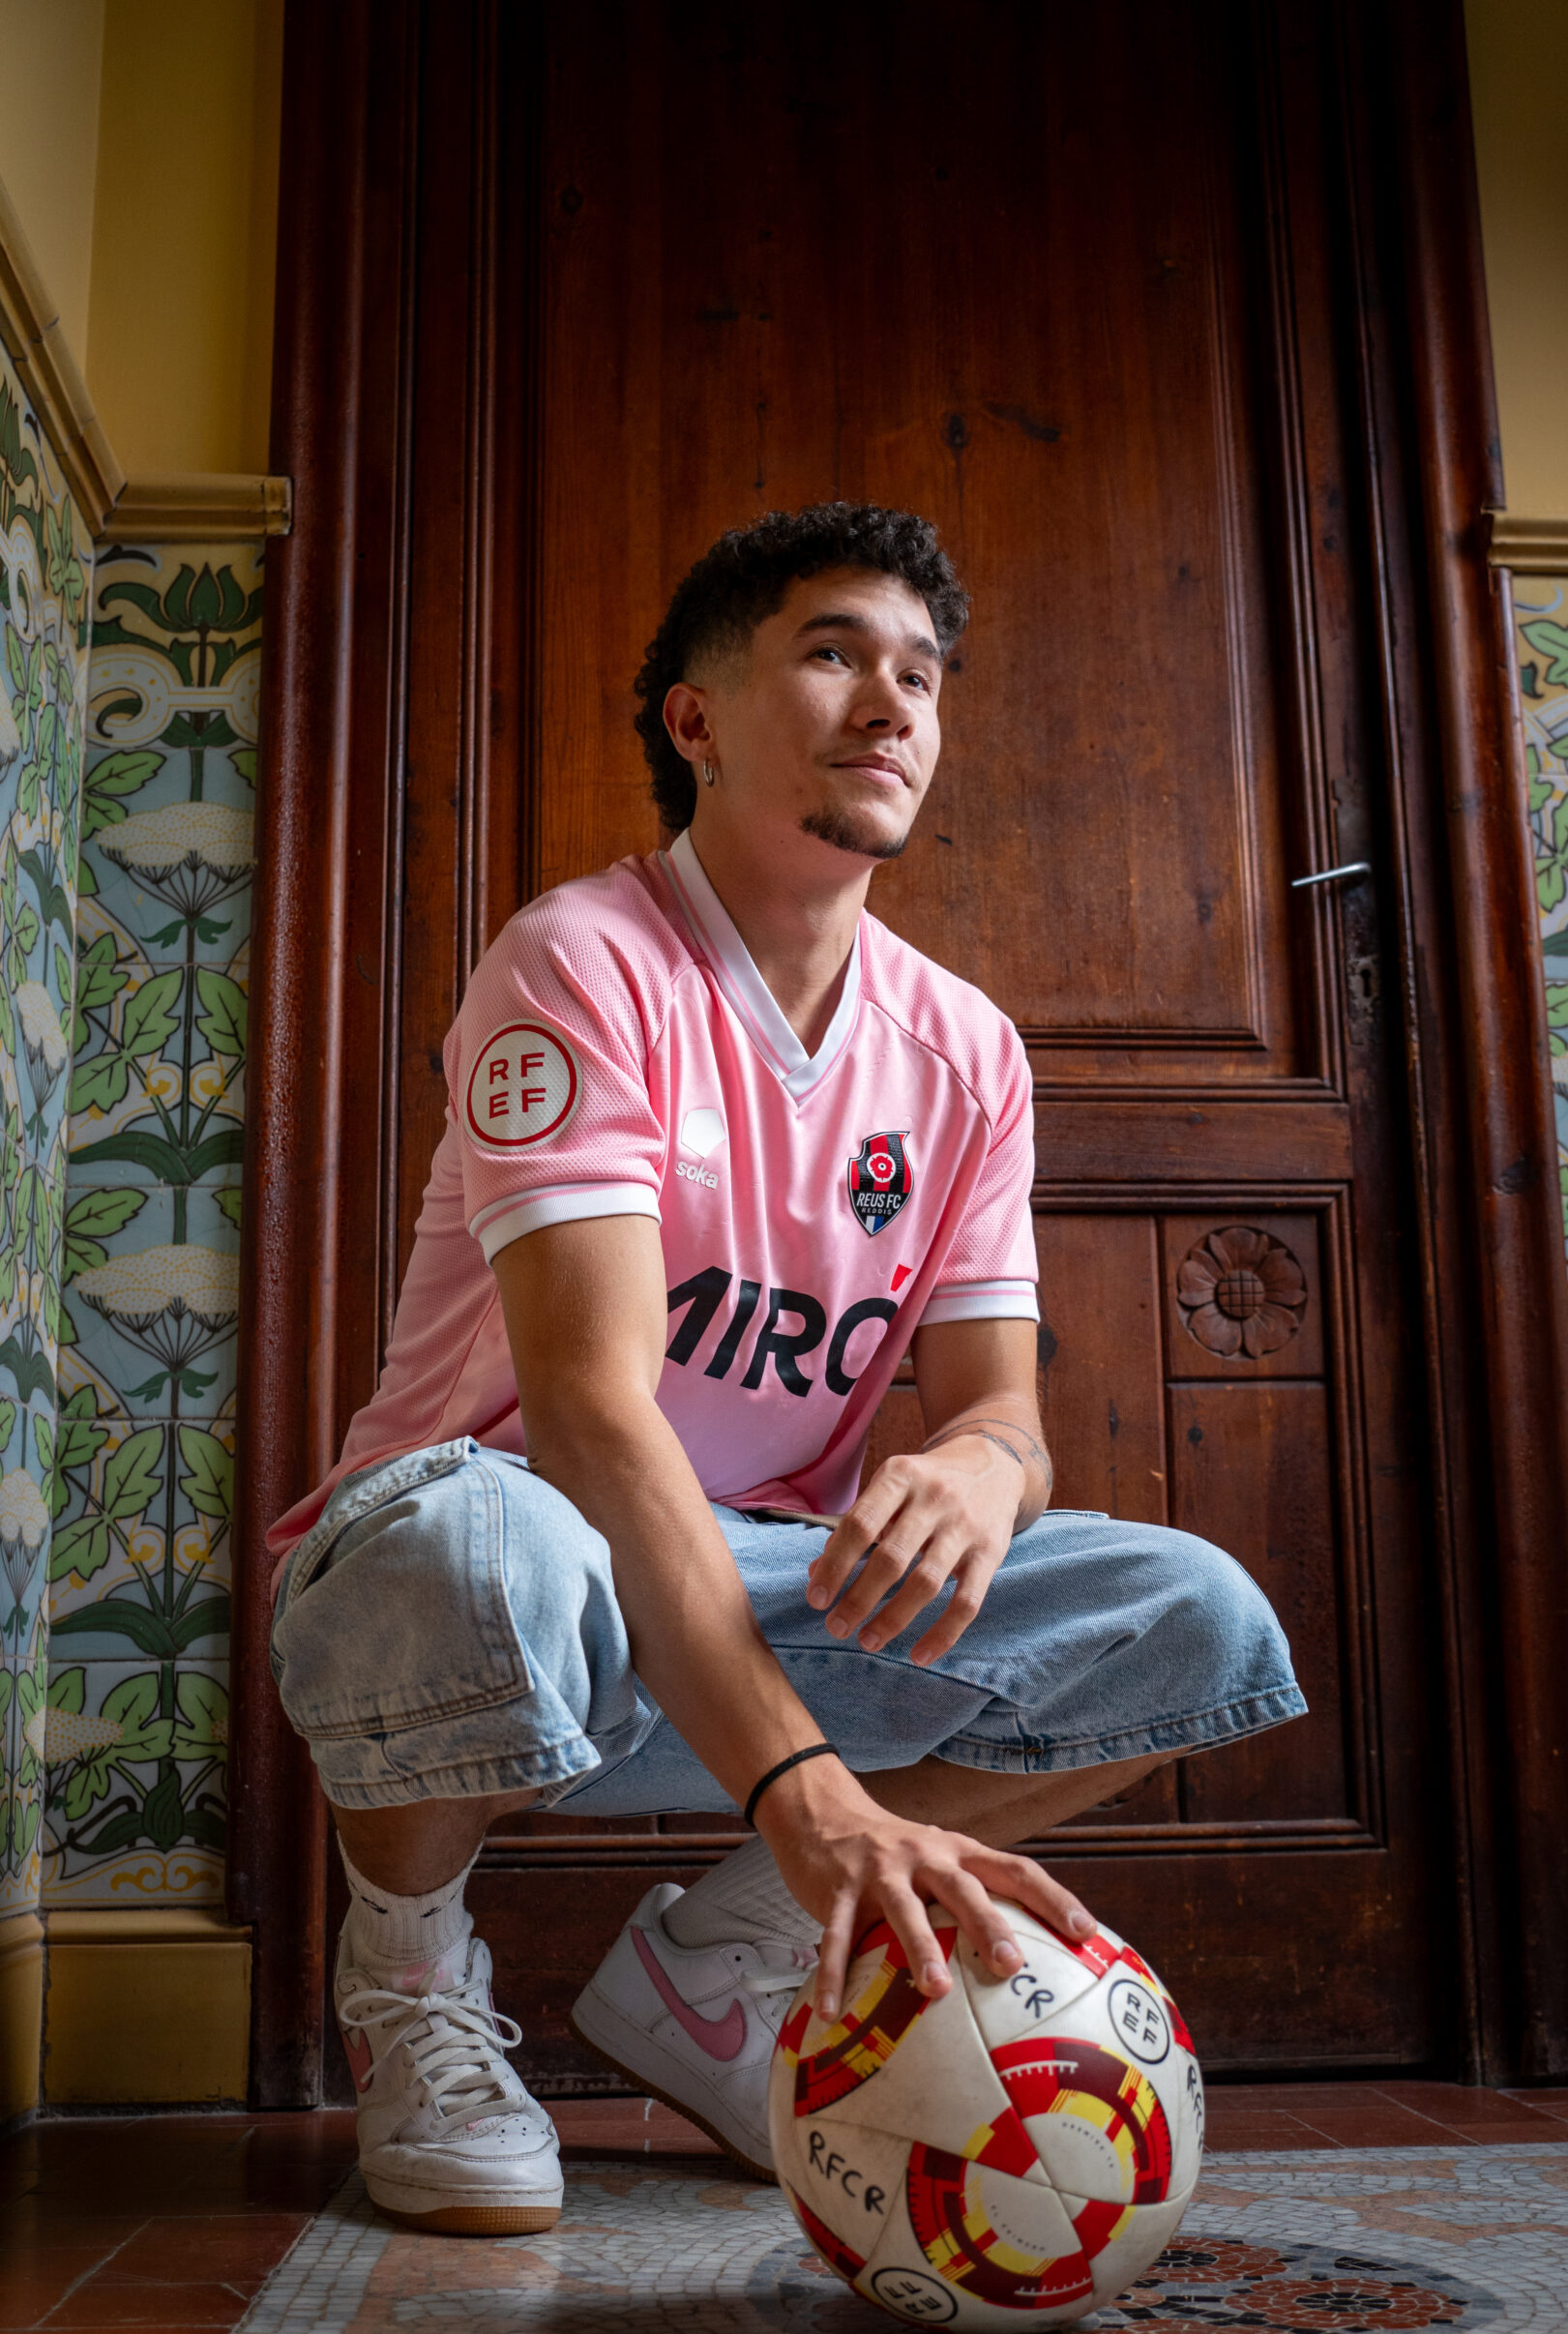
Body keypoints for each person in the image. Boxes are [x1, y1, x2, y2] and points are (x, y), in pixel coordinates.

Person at [267, 503, 1304, 2236]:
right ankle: (409, 1976)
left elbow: (1004, 1412)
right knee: (478, 1542)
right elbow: (588, 1413)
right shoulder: (582, 961)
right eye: (834, 654)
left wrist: (981, 1466)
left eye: (922, 675)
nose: (893, 703)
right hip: (493, 1576)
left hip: (755, 1584)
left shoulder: (964, 1049)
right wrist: (803, 1788)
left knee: (1190, 1614)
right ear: (697, 719)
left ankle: (723, 1959)